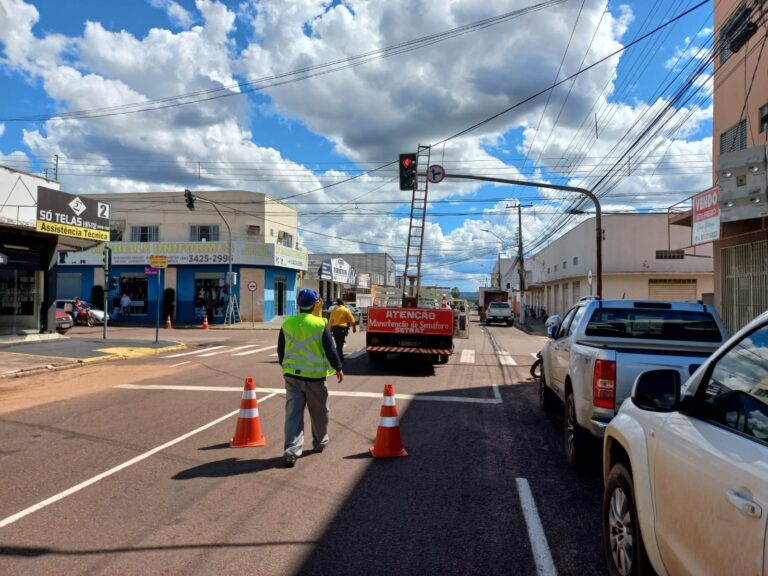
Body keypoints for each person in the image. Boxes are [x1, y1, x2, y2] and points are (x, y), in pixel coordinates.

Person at [278, 289, 343, 468]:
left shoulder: (287, 322)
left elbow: (281, 350)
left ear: (298, 304)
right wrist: (338, 367)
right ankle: (320, 442)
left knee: (293, 415)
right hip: (315, 377)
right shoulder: (320, 323)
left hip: (292, 376)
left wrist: (285, 367)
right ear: (315, 304)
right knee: (320, 413)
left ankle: (291, 453)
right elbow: (330, 349)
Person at [328, 298, 357, 363]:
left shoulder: (334, 310)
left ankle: (338, 358)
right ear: (343, 303)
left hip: (335, 329)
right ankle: (338, 359)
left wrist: (329, 330)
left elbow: (330, 321)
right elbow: (352, 321)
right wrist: (354, 328)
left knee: (338, 344)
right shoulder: (346, 310)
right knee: (339, 345)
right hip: (342, 330)